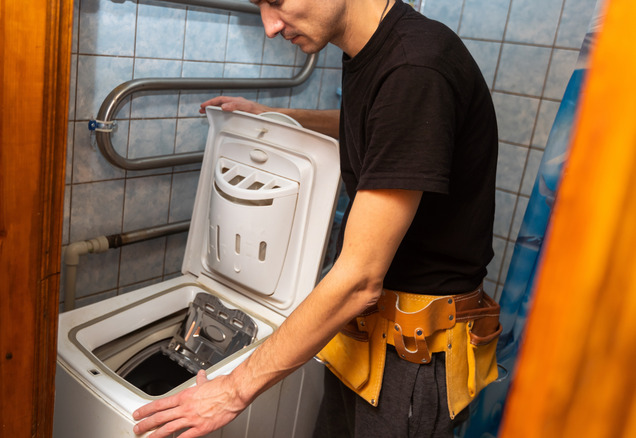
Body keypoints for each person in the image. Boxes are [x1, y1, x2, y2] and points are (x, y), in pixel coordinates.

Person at [132, 0, 500, 436]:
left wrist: (232, 390)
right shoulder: (378, 50)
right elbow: (378, 125)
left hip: (412, 354)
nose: (269, 26)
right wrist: (279, 116)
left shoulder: (415, 67)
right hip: (369, 335)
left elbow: (359, 279)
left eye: (276, 1)